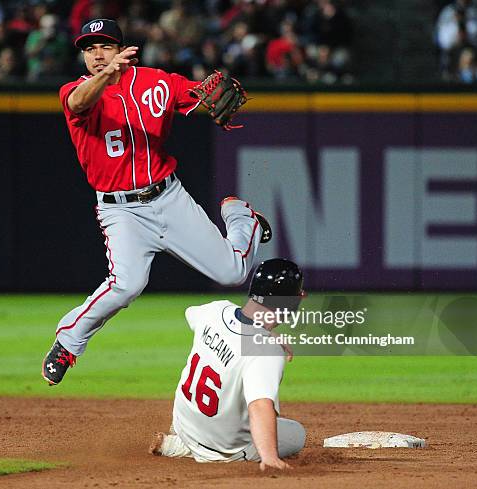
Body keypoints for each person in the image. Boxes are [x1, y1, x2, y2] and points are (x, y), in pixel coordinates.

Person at [42, 18, 271, 386]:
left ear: (121, 49)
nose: (98, 55)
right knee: (127, 284)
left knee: (232, 272)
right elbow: (77, 102)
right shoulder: (77, 90)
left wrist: (205, 91)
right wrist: (107, 75)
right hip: (120, 211)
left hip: (168, 197)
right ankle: (68, 342)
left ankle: (243, 218)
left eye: (105, 46)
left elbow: (201, 93)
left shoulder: (156, 82)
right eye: (89, 48)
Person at [149, 259, 306, 469]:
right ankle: (179, 447)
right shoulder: (266, 351)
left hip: (183, 422)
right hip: (221, 449)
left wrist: (262, 333)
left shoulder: (216, 310)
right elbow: (259, 406)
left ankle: (182, 438)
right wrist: (269, 457)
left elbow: (190, 313)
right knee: (297, 434)